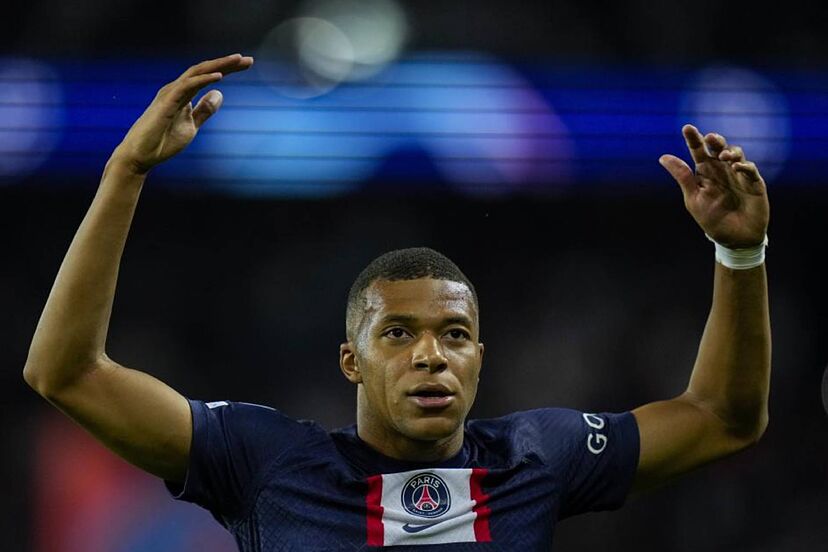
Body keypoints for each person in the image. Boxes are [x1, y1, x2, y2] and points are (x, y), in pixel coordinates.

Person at [23, 53, 771, 550]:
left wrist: (740, 254)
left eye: (455, 334)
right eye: (398, 333)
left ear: (480, 358)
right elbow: (66, 373)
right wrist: (125, 172)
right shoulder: (263, 462)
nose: (431, 355)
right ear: (350, 360)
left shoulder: (537, 459)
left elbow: (723, 418)